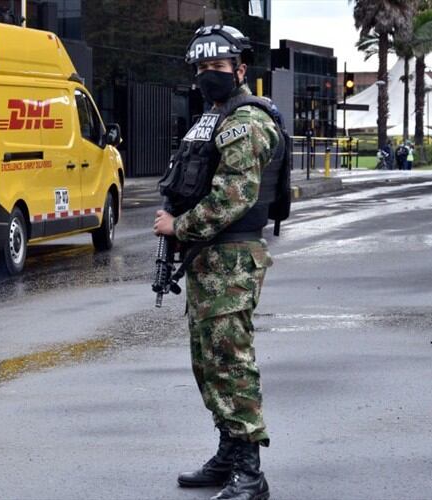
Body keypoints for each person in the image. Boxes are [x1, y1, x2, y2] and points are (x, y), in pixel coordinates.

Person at [153, 24, 279, 500]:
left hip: (231, 258)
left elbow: (235, 195)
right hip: (209, 260)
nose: (210, 74)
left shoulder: (246, 121)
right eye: (203, 67)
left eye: (218, 66)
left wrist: (178, 227)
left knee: (231, 364)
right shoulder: (213, 118)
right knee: (208, 364)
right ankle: (229, 453)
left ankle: (250, 472)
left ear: (240, 70)